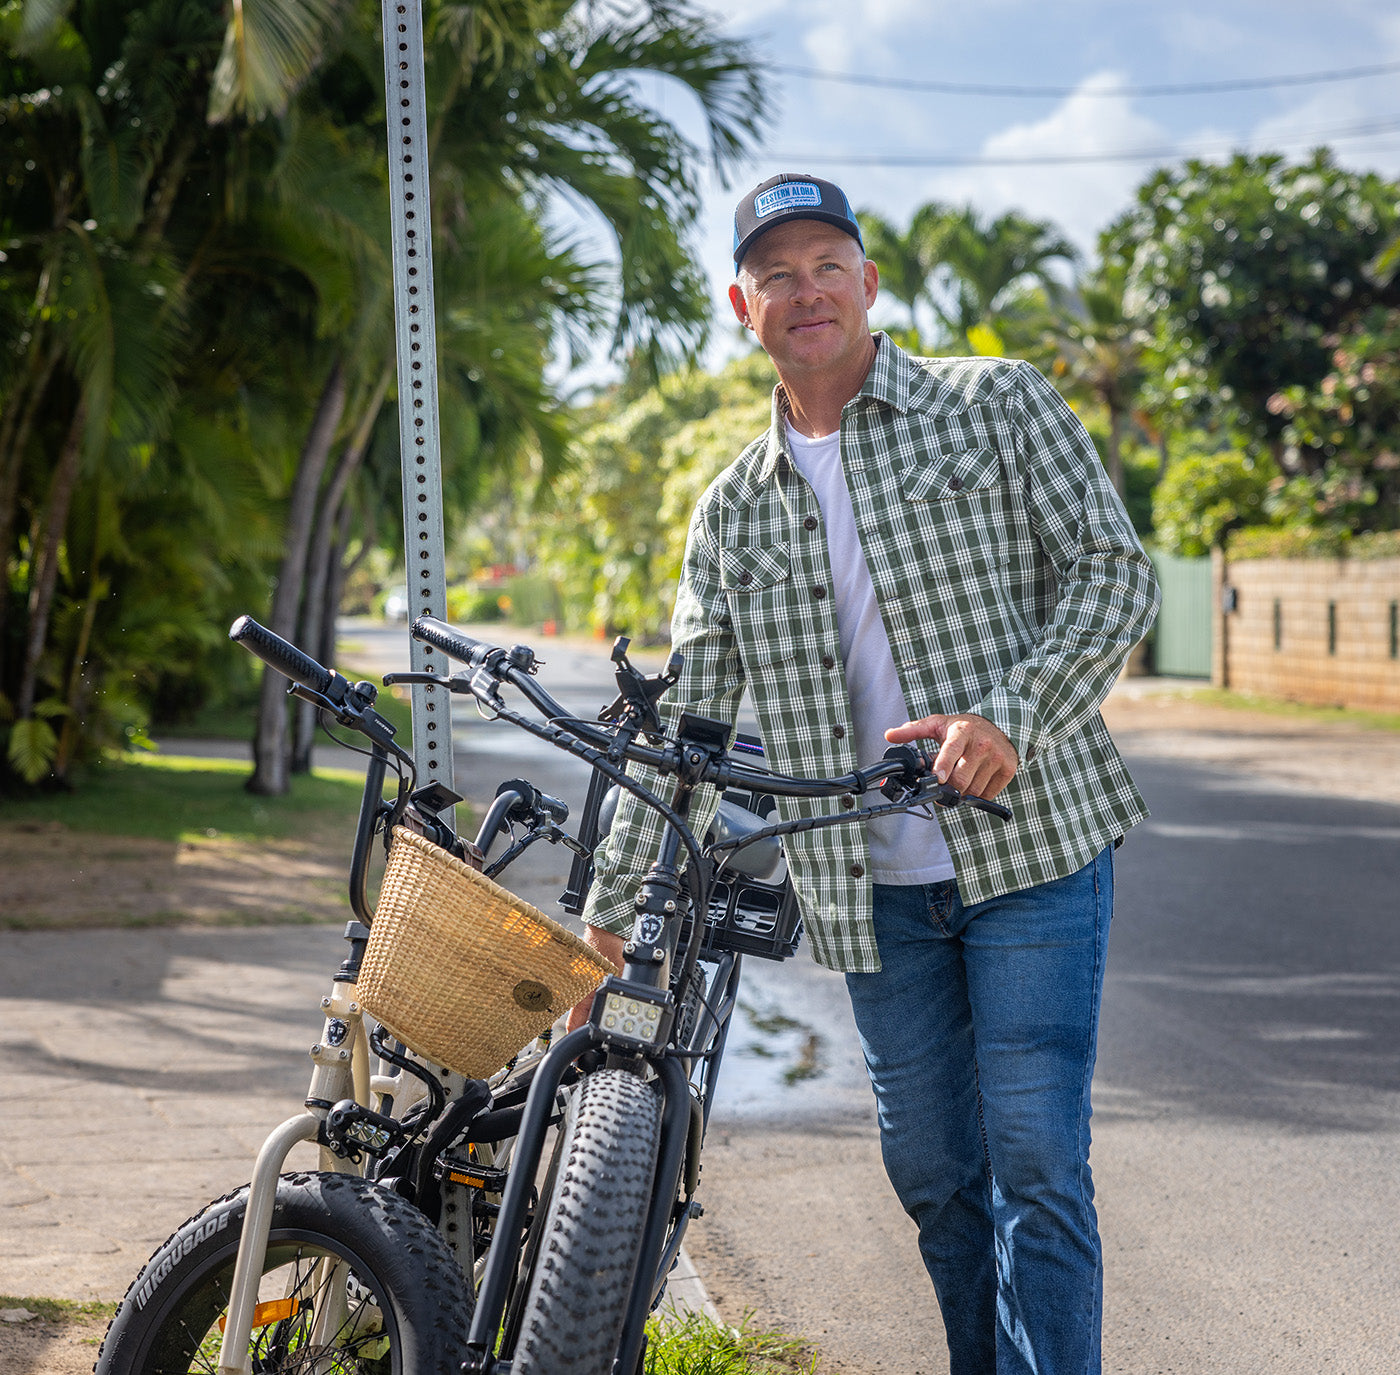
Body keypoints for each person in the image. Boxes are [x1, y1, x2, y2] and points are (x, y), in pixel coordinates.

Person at [575, 172, 1160, 1375]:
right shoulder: (730, 512)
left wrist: (1009, 715)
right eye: (776, 274)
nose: (805, 290)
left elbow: (1115, 575)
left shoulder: (993, 403)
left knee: (1035, 1160)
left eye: (825, 264)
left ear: (867, 282)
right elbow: (688, 720)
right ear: (743, 307)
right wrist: (606, 922)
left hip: (1032, 853)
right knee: (937, 1177)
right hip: (870, 889)